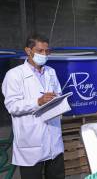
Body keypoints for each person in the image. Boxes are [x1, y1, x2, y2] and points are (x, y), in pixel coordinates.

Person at [2, 34, 65, 179]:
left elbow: (58, 93)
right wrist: (37, 102)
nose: (44, 54)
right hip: (31, 142)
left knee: (57, 176)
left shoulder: (51, 72)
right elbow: (12, 106)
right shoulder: (14, 75)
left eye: (46, 51)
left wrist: (59, 101)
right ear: (28, 51)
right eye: (40, 51)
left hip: (53, 140)